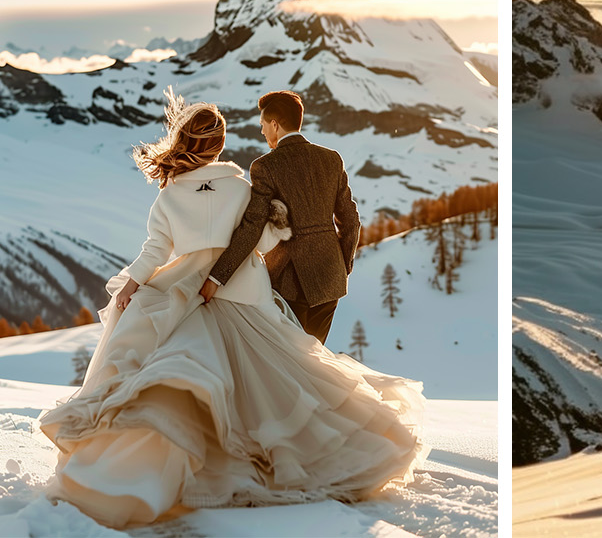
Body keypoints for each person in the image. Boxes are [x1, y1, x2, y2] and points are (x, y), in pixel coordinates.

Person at [38, 92, 424, 529]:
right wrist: (280, 227)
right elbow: (255, 244)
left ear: (184, 142)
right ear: (220, 146)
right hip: (242, 292)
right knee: (274, 378)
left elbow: (154, 252)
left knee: (168, 373)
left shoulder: (167, 197)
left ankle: (139, 471)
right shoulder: (243, 188)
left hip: (183, 291)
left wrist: (130, 286)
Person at [203, 90, 360, 344]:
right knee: (316, 361)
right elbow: (350, 220)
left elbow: (252, 226)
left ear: (275, 124)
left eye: (263, 125)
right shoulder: (332, 159)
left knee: (290, 363)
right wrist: (342, 265)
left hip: (290, 282)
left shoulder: (265, 166)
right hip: (330, 279)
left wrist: (217, 277)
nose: (262, 132)